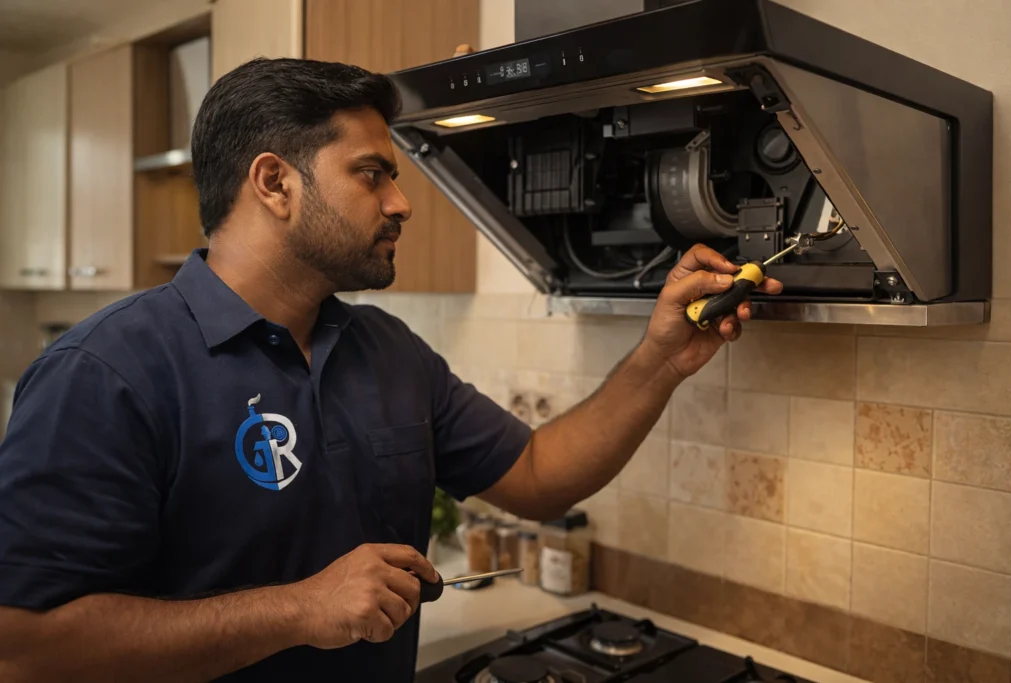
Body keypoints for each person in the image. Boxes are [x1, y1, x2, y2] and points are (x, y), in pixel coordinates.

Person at [0, 58, 781, 682]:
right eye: (372, 172)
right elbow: (26, 648)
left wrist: (659, 358)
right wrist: (299, 610)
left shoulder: (387, 350)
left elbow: (541, 477)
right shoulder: (105, 372)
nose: (403, 201)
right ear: (275, 183)